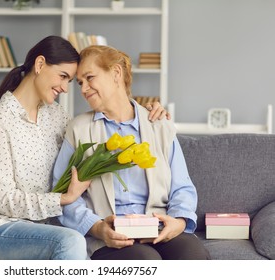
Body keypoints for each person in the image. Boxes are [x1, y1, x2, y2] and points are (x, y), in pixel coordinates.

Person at [0, 36, 168, 260]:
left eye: (70, 81)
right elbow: (3, 200)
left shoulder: (58, 116)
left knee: (79, 243)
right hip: (1, 228)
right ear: (40, 64)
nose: (65, 88)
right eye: (63, 76)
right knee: (72, 241)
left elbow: (99, 128)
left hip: (49, 228)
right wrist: (62, 199)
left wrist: (146, 112)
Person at [53, 45, 210, 260]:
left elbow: (182, 187)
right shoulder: (78, 129)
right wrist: (98, 228)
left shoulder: (158, 125)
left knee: (192, 255)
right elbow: (62, 194)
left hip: (158, 227)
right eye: (80, 82)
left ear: (116, 73)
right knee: (145, 261)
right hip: (110, 235)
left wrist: (178, 222)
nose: (83, 89)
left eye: (90, 78)